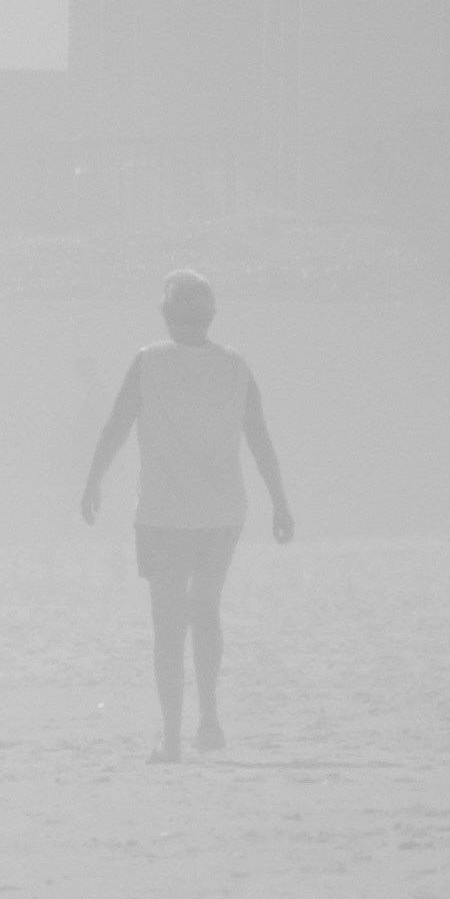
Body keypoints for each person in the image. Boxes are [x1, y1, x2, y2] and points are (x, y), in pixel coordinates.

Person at [82, 269, 296, 761]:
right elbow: (260, 438)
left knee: (168, 623)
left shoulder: (148, 363)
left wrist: (93, 481)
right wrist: (280, 501)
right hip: (223, 513)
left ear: (164, 315)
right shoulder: (235, 367)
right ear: (211, 317)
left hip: (164, 514)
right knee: (206, 611)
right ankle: (210, 719)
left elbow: (116, 426)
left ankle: (173, 737)